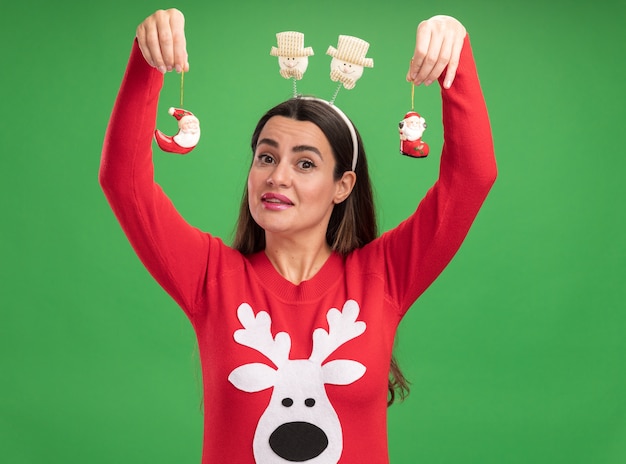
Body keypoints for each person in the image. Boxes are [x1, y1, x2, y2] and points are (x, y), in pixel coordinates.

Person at [100, 8, 497, 464]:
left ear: (342, 186)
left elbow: (472, 177)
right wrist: (149, 60)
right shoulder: (210, 277)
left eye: (305, 163)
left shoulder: (384, 276)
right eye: (266, 158)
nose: (277, 177)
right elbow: (123, 181)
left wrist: (455, 54)